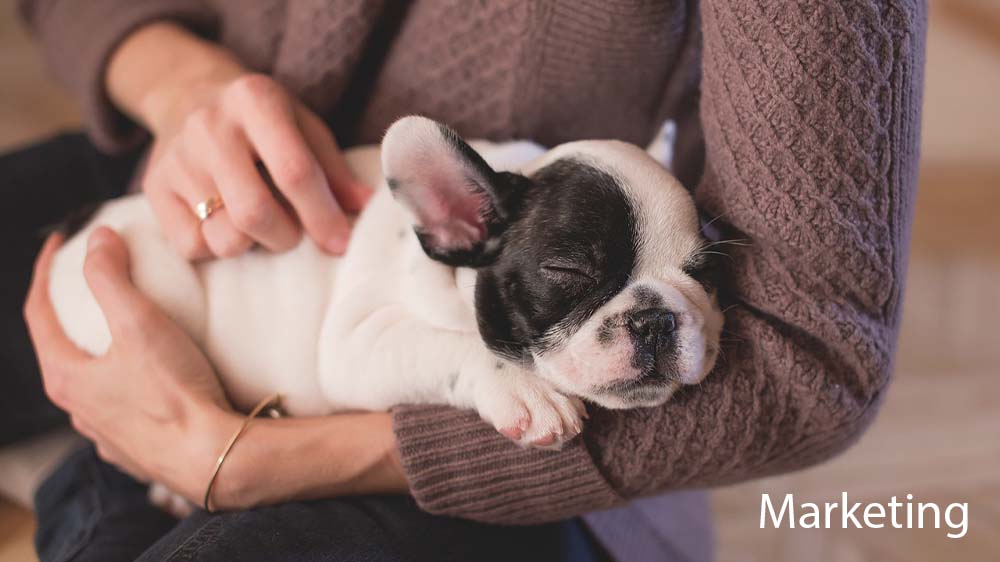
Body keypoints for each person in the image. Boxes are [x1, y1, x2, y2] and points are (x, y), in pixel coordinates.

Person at [4, 1, 925, 561]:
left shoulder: (550, 227)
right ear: (453, 223)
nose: (650, 321)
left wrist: (244, 463)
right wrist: (180, 83)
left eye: (693, 277)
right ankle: (102, 486)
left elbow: (815, 357)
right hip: (180, 208)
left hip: (414, 454)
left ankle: (87, 497)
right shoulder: (472, 220)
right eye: (576, 281)